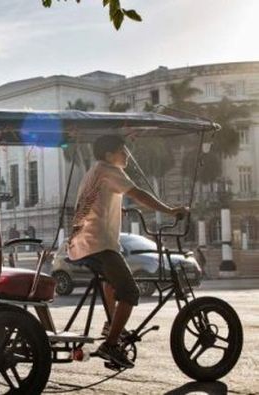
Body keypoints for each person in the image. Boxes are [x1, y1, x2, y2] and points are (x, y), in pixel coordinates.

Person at [68, 135, 188, 369]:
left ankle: (111, 324)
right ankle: (111, 345)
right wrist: (170, 210)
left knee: (111, 282)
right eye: (122, 151)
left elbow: (96, 199)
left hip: (81, 243)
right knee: (130, 292)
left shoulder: (95, 171)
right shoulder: (111, 170)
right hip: (98, 243)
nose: (126, 155)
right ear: (109, 154)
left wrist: (116, 207)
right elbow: (139, 194)